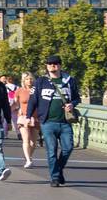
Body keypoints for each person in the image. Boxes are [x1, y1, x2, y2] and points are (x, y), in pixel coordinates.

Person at [28, 55, 80, 187]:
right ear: (46, 66)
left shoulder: (69, 80)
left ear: (60, 65)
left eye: (56, 63)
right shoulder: (40, 81)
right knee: (51, 150)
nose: (53, 66)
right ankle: (55, 177)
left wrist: (72, 104)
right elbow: (33, 100)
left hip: (65, 122)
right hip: (47, 122)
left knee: (68, 148)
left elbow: (76, 98)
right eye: (50, 64)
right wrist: (28, 116)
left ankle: (58, 169)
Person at [13, 72, 37, 168]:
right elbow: (15, 104)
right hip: (23, 117)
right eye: (27, 79)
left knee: (33, 142)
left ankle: (29, 156)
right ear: (23, 80)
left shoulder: (37, 90)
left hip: (36, 118)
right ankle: (28, 160)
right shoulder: (19, 91)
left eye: (30, 79)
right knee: (26, 140)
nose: (29, 81)